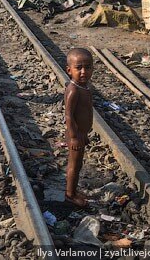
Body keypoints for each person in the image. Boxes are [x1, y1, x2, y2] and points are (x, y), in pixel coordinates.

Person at [64, 47, 94, 208]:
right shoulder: (73, 90)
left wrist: (84, 134)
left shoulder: (85, 87)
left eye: (88, 67)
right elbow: (68, 116)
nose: (84, 72)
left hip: (80, 133)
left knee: (78, 164)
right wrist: (75, 136)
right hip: (75, 135)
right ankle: (70, 194)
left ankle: (73, 191)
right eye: (79, 68)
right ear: (69, 70)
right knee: (74, 166)